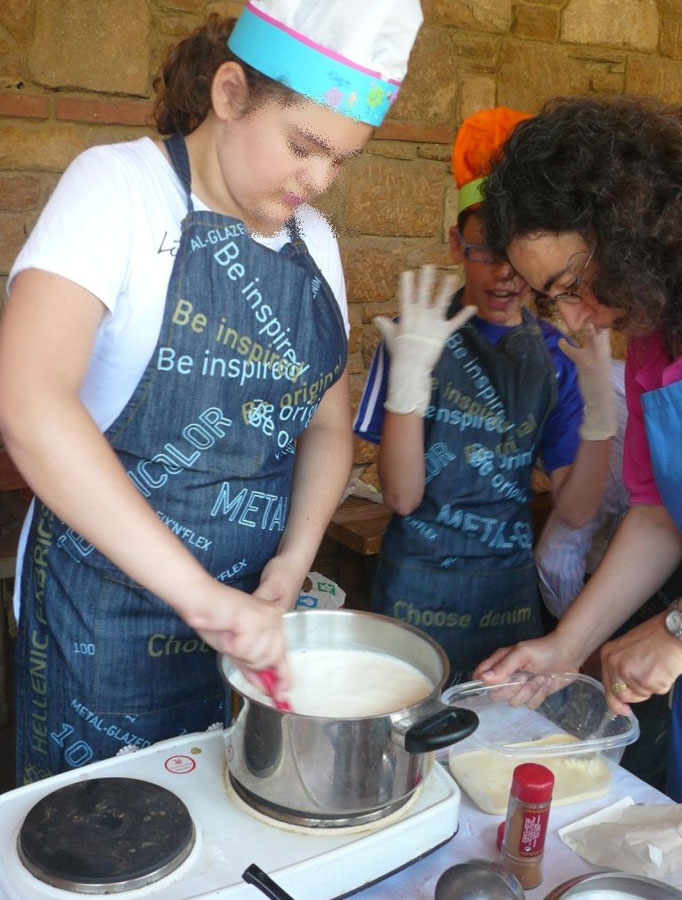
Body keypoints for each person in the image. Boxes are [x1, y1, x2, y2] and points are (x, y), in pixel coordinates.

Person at [0, 0, 424, 784]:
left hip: (250, 617)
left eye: (341, 161)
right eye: (303, 146)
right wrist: (199, 597)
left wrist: (291, 564)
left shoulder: (315, 242)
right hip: (102, 622)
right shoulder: (118, 189)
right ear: (230, 94)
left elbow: (327, 428)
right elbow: (30, 403)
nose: (319, 181)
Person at [353, 107, 614, 681]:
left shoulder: (559, 358)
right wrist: (409, 382)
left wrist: (601, 414)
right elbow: (400, 496)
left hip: (508, 599)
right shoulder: (411, 336)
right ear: (456, 243)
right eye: (485, 252)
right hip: (415, 589)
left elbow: (575, 511)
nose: (505, 276)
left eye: (518, 259)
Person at [474, 95, 682, 802]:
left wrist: (675, 630)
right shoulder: (653, 342)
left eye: (572, 285)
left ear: (629, 227)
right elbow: (657, 514)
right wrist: (567, 645)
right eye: (550, 299)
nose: (571, 316)